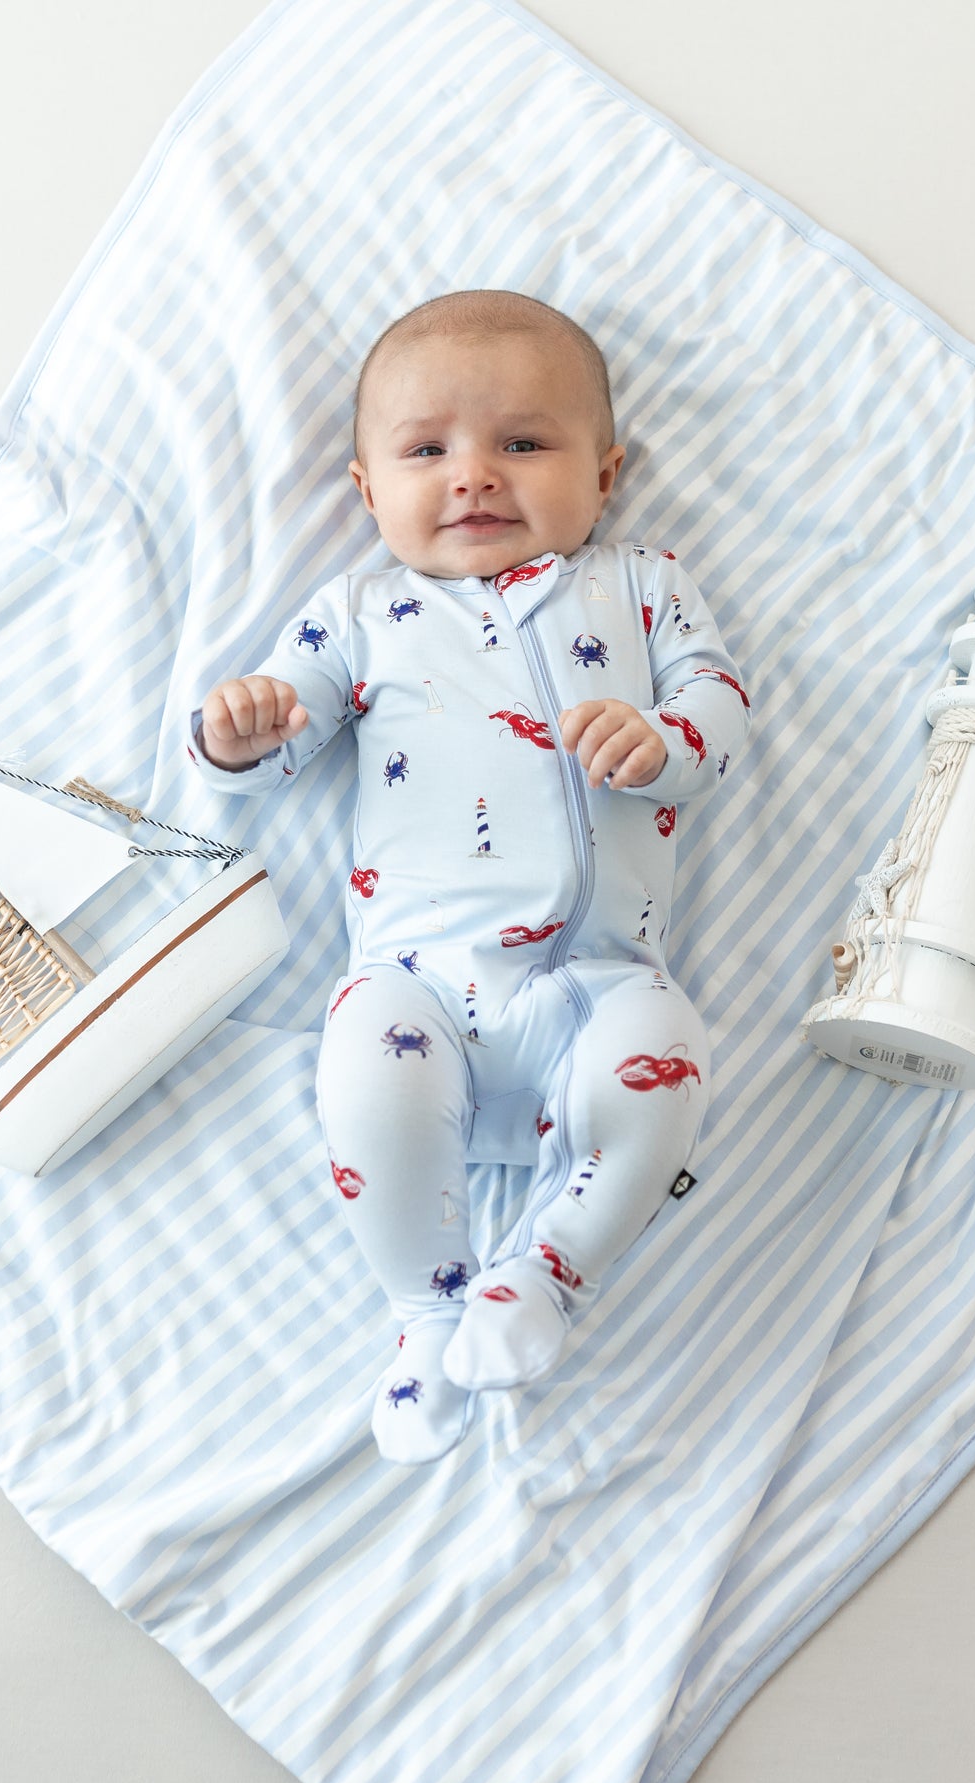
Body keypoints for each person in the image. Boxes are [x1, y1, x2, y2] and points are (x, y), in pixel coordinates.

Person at [186, 290, 751, 1462]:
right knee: (361, 1076)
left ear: (605, 477)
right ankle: (424, 1315)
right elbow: (282, 738)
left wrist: (666, 743)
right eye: (427, 450)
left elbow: (719, 700)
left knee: (674, 1062)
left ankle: (545, 1271)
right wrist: (241, 733)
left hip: (596, 984)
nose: (475, 476)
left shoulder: (641, 585)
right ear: (364, 489)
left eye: (525, 444)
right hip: (418, 987)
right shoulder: (360, 609)